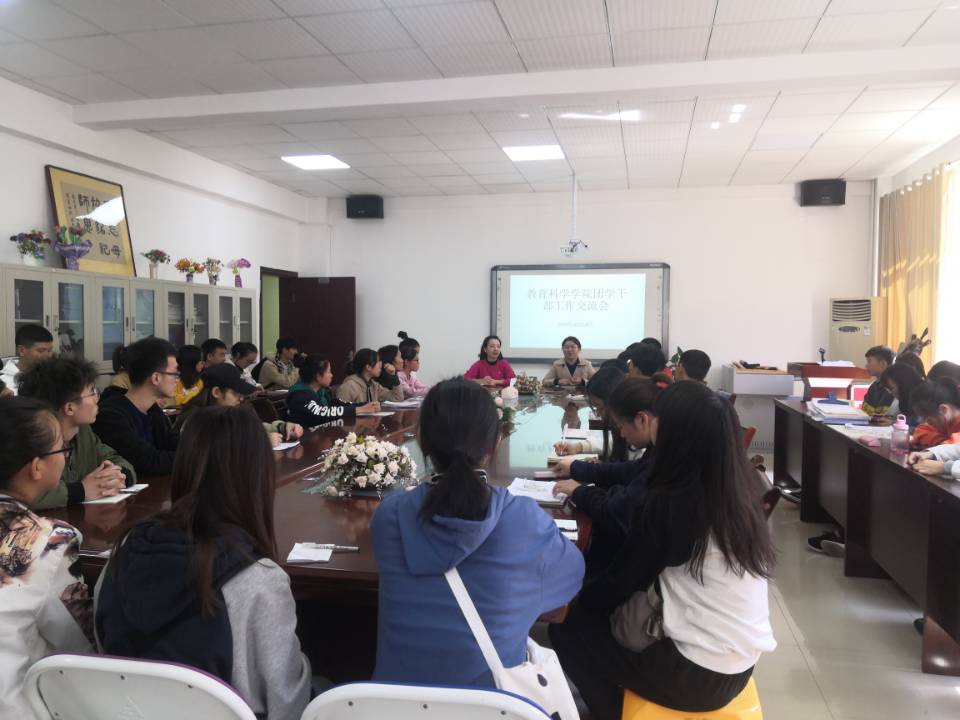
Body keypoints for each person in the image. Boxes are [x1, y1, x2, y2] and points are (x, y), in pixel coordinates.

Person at [550, 382, 776, 720]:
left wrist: (567, 599)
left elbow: (618, 583)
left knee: (567, 626)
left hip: (695, 674)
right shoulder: (734, 488)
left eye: (659, 417)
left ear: (674, 434)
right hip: (738, 664)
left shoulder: (673, 504)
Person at [95, 406, 311, 720]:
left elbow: (103, 653)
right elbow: (287, 704)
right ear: (258, 475)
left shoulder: (125, 550)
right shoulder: (258, 579)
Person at [371, 378, 584, 686]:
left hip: (392, 704)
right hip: (497, 703)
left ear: (420, 439)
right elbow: (570, 580)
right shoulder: (523, 519)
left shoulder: (390, 516)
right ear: (496, 442)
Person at [0, 397, 93, 717]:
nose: (66, 457)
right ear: (36, 467)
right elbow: (78, 642)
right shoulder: (49, 542)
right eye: (62, 450)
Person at [552, 378, 664, 576]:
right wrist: (576, 468)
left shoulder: (662, 460)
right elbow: (627, 470)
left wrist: (579, 491)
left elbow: (616, 511)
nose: (621, 433)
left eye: (621, 425)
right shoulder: (657, 450)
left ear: (642, 420)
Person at [18, 357, 136, 509]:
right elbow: (23, 494)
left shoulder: (82, 431)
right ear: (70, 408)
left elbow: (113, 458)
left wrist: (119, 476)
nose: (97, 399)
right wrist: (81, 490)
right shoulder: (31, 439)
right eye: (92, 392)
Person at [93, 337, 180, 476]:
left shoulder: (153, 410)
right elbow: (147, 462)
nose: (177, 379)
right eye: (174, 373)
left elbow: (173, 444)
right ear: (156, 378)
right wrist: (190, 458)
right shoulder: (110, 416)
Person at [173, 364, 304, 447]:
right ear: (216, 392)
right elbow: (216, 448)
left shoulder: (225, 411)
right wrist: (259, 442)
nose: (241, 399)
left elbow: (249, 428)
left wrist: (282, 428)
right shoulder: (194, 420)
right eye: (236, 393)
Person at [554, 366, 632, 461]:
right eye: (595, 408)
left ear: (617, 401)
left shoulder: (635, 436)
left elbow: (627, 466)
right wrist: (578, 447)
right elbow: (614, 445)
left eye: (600, 408)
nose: (598, 414)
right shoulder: (625, 430)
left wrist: (595, 467)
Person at [288, 355, 378, 427]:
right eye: (329, 372)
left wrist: (365, 405)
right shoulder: (300, 395)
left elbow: (337, 404)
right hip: (306, 440)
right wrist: (358, 410)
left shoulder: (321, 393)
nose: (332, 375)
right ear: (318, 376)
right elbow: (322, 413)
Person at [1, 324, 55, 395]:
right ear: (21, 350)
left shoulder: (52, 377)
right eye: (41, 351)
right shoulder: (3, 382)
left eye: (49, 350)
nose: (48, 356)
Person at [338, 349, 404, 403]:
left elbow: (397, 398)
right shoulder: (349, 386)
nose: (380, 365)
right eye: (377, 362)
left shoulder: (374, 386)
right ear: (368, 367)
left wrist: (393, 376)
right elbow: (340, 411)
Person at [911, 378, 960, 448]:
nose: (924, 421)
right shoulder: (944, 422)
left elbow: (954, 446)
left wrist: (942, 447)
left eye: (926, 417)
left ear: (943, 409)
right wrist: (941, 441)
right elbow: (920, 430)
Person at [861, 345, 896, 417]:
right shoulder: (874, 386)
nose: (866, 366)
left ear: (882, 364)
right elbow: (865, 413)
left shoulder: (894, 389)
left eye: (869, 361)